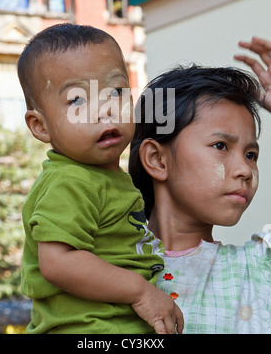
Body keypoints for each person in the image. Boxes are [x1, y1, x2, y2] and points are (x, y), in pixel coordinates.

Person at [17, 23, 183, 334]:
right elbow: (58, 262)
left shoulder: (104, 178)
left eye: (116, 93)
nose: (105, 110)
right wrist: (141, 291)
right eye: (78, 100)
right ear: (41, 126)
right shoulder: (71, 181)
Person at [129, 36, 271, 334]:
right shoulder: (99, 270)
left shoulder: (259, 269)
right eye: (220, 145)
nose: (245, 169)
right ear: (157, 159)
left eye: (251, 154)